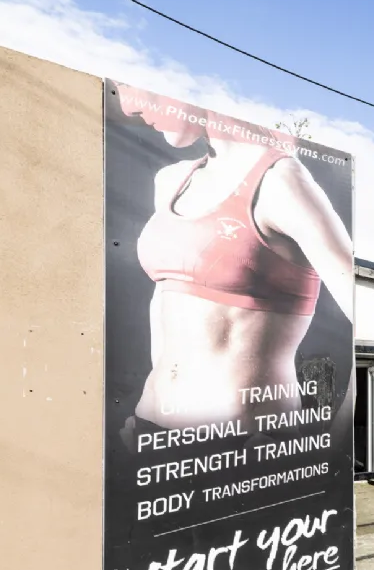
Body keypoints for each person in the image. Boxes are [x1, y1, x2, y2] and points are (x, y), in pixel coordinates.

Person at [115, 84, 353, 436]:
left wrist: (335, 449)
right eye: (120, 89)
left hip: (241, 445)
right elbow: (166, 304)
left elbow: (369, 321)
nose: (128, 106)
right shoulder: (170, 181)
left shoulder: (281, 182)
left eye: (135, 86)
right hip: (152, 426)